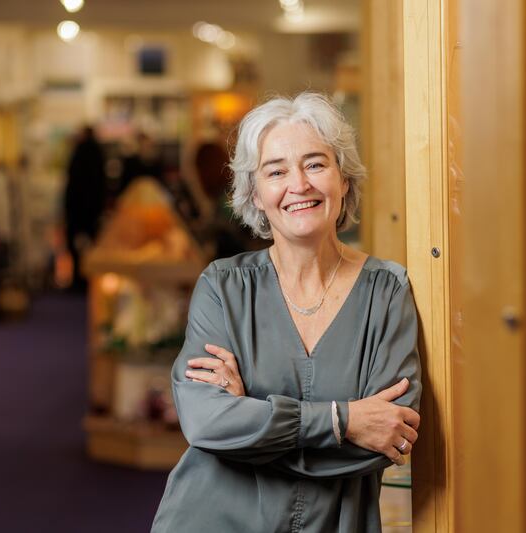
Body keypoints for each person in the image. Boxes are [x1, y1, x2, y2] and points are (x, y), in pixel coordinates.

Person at [151, 93, 422, 532]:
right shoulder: (223, 288)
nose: (299, 184)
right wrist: (344, 420)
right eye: (276, 171)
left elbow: (388, 439)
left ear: (344, 179)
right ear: (256, 195)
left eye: (315, 164)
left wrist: (251, 423)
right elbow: (206, 423)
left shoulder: (387, 292)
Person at [64, 125, 106, 290]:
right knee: (90, 245)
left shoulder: (80, 154)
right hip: (93, 209)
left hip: (78, 209)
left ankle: (78, 279)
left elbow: (73, 185)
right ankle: (89, 279)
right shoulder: (98, 154)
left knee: (77, 246)